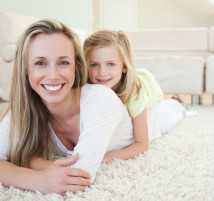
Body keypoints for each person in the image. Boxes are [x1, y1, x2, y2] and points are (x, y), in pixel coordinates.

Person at [0, 19, 135, 195]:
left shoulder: (101, 98)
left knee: (171, 112)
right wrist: (37, 179)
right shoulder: (22, 108)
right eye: (40, 63)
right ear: (25, 68)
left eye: (63, 62)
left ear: (76, 67)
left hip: (157, 122)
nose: (53, 75)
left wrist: (28, 160)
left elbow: (80, 175)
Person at [83, 30, 196, 163]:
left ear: (124, 66)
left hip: (151, 110)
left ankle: (176, 103)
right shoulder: (88, 90)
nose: (102, 72)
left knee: (171, 115)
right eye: (94, 64)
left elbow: (142, 144)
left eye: (111, 64)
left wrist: (109, 157)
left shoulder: (135, 93)